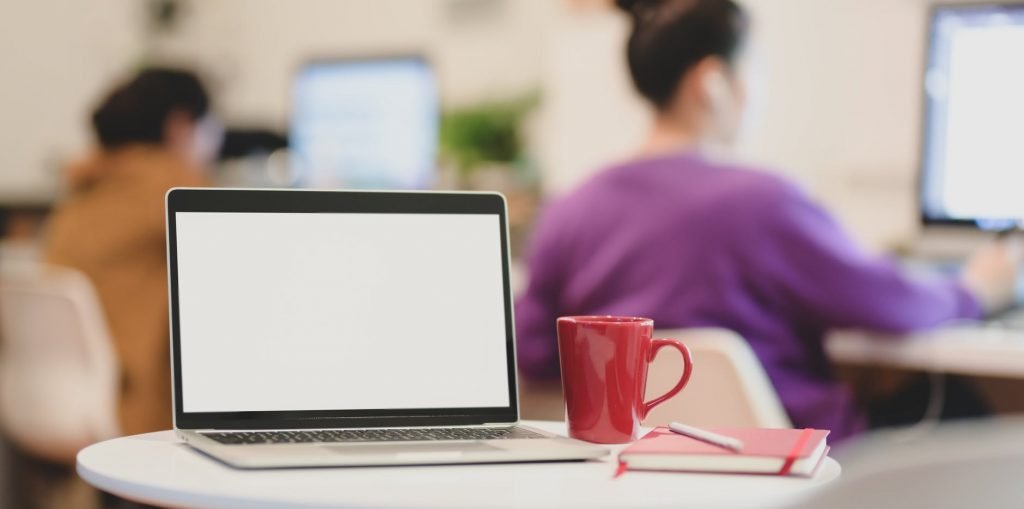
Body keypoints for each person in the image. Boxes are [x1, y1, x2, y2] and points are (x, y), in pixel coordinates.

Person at [515, 0, 1020, 441]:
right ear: (712, 82)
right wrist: (975, 289)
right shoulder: (760, 202)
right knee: (960, 405)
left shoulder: (571, 209)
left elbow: (534, 354)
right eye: (753, 70)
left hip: (637, 468)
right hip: (786, 463)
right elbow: (886, 302)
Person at [43, 68, 221, 437]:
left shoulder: (85, 183)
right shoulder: (172, 182)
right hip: (130, 404)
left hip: (54, 398)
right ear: (180, 124)